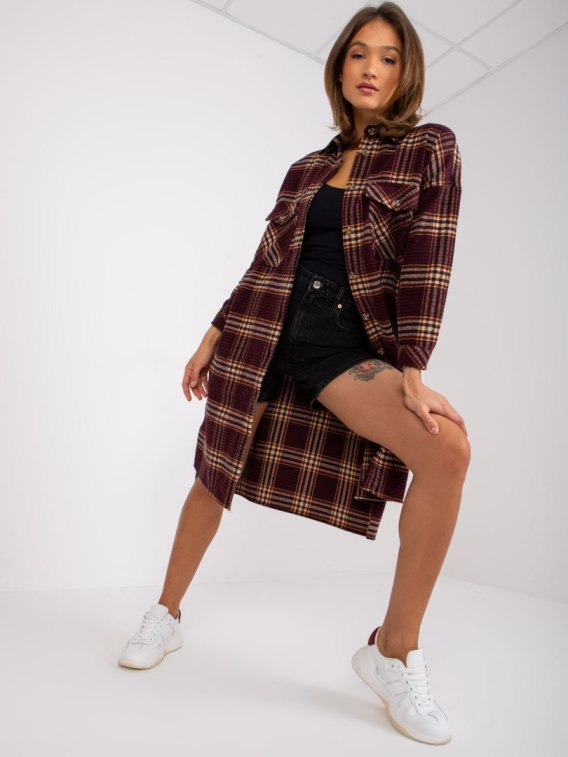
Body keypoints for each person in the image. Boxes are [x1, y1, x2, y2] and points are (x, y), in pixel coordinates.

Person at [118, 1, 470, 746]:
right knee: (213, 473)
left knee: (447, 451)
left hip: (339, 344)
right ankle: (165, 614)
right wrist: (213, 333)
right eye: (358, 54)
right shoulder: (305, 168)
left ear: (405, 74)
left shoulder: (429, 149)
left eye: (389, 58)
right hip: (262, 331)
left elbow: (429, 259)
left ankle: (392, 651)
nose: (371, 69)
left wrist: (412, 367)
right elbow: (266, 261)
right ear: (339, 67)